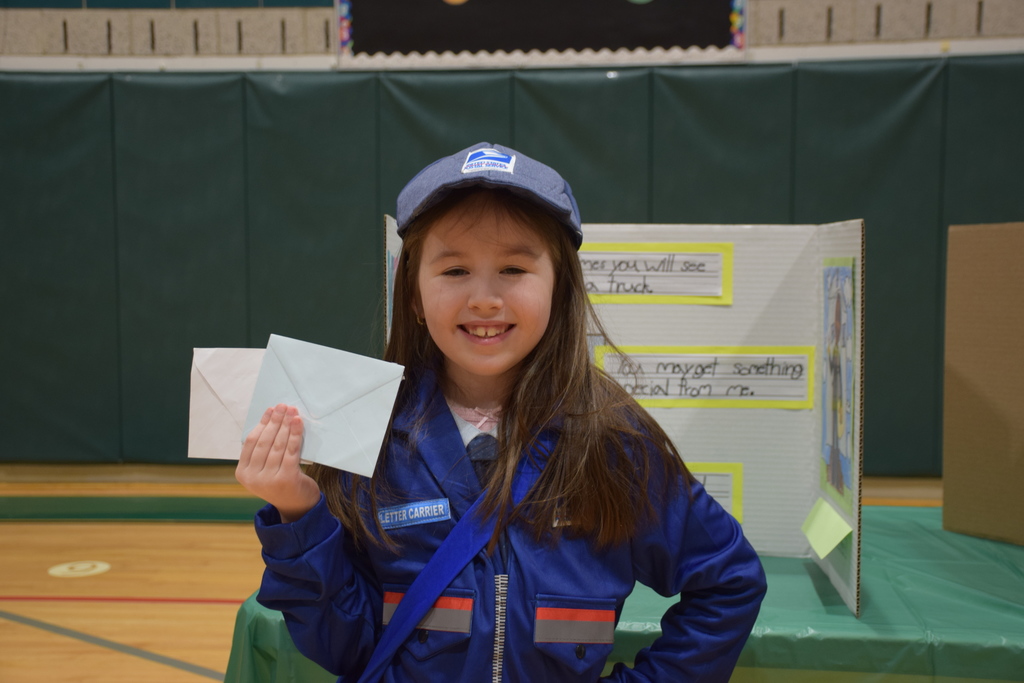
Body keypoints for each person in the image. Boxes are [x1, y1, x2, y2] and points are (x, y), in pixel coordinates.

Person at [235, 142, 766, 682]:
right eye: (455, 270)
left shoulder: (613, 439)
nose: (485, 298)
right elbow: (346, 646)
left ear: (560, 288)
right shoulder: (366, 432)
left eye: (513, 268)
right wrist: (298, 513)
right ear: (413, 295)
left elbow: (730, 583)